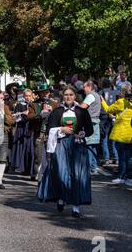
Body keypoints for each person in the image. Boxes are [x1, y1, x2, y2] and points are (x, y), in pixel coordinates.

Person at [37, 86, 94, 218]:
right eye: (66, 95)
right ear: (63, 96)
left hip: (77, 146)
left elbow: (90, 130)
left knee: (77, 176)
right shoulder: (57, 111)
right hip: (61, 145)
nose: (68, 97)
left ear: (75, 96)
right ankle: (61, 199)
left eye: (71, 95)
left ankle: (76, 208)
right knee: (62, 174)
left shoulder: (82, 111)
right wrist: (61, 129)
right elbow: (49, 129)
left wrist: (83, 133)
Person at [101, 84, 132, 185]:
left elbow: (108, 109)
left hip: (121, 134)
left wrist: (102, 100)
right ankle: (130, 178)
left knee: (122, 157)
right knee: (129, 157)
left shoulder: (120, 102)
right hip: (131, 134)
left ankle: (121, 177)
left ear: (122, 92)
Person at [28, 83, 59, 181]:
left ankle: (49, 175)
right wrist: (39, 115)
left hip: (51, 133)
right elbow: (29, 117)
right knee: (38, 155)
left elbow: (59, 117)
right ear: (39, 93)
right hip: (39, 132)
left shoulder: (54, 104)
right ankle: (38, 174)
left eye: (46, 92)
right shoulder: (33, 104)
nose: (45, 94)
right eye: (42, 92)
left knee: (50, 154)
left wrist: (52, 112)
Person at [11, 88, 35, 175]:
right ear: (23, 96)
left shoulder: (34, 104)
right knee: (22, 147)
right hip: (22, 128)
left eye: (29, 96)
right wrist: (22, 114)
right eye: (26, 96)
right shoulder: (19, 105)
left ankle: (31, 168)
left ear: (32, 96)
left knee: (30, 148)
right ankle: (23, 167)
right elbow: (15, 118)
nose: (28, 97)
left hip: (31, 128)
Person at [80, 80, 102, 174]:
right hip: (95, 122)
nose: (83, 89)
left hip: (90, 122)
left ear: (89, 87)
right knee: (92, 145)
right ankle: (93, 167)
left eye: (84, 87)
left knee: (88, 145)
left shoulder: (90, 95)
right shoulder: (97, 95)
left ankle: (90, 168)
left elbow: (82, 107)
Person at [98, 78, 119, 165]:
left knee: (104, 138)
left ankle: (106, 158)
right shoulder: (115, 92)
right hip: (114, 115)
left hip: (104, 116)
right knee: (113, 138)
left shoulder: (100, 93)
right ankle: (115, 157)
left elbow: (99, 104)